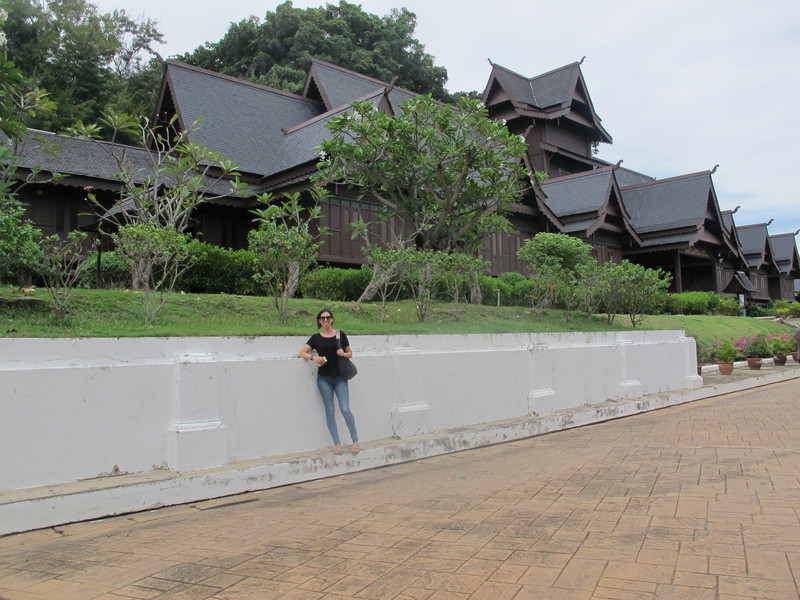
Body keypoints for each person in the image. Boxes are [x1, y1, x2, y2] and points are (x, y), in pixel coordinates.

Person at [298, 308, 359, 455]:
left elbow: (350, 353)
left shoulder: (339, 334)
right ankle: (337, 444)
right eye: (322, 318)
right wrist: (313, 358)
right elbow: (302, 353)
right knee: (330, 411)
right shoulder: (315, 338)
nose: (325, 320)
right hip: (324, 378)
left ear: (332, 319)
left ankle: (355, 440)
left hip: (340, 378)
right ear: (319, 321)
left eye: (328, 318)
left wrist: (343, 353)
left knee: (345, 409)